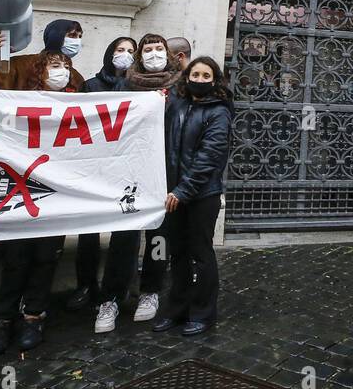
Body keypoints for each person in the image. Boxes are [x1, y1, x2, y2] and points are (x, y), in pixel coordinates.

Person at [0, 45, 80, 355]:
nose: (60, 69)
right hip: (21, 190)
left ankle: (33, 315)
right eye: (53, 64)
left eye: (64, 64)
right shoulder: (17, 98)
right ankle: (3, 318)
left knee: (46, 256)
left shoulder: (82, 103)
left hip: (59, 194)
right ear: (40, 69)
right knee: (15, 257)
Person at [151, 57, 231, 336]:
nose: (199, 79)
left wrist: (184, 190)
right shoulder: (177, 104)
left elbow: (210, 156)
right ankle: (176, 309)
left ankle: (203, 313)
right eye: (194, 74)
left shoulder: (218, 112)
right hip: (174, 193)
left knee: (201, 253)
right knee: (179, 254)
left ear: (214, 79)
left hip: (201, 195)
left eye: (205, 75)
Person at [111, 33, 182, 322]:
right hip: (130, 171)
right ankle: (112, 295)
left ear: (169, 53)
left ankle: (151, 290)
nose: (154, 54)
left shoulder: (182, 88)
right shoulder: (124, 85)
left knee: (159, 237)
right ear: (140, 55)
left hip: (166, 171)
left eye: (159, 49)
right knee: (123, 235)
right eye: (148, 49)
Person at [65, 36, 137, 315]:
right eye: (120, 50)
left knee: (127, 230)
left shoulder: (138, 86)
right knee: (88, 232)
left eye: (131, 51)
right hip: (94, 167)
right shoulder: (92, 86)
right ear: (109, 53)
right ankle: (86, 285)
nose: (126, 55)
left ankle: (119, 287)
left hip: (127, 167)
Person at [0, 18, 85, 92]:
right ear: (56, 35)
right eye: (72, 35)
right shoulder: (18, 66)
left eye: (80, 37)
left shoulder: (76, 78)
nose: (77, 41)